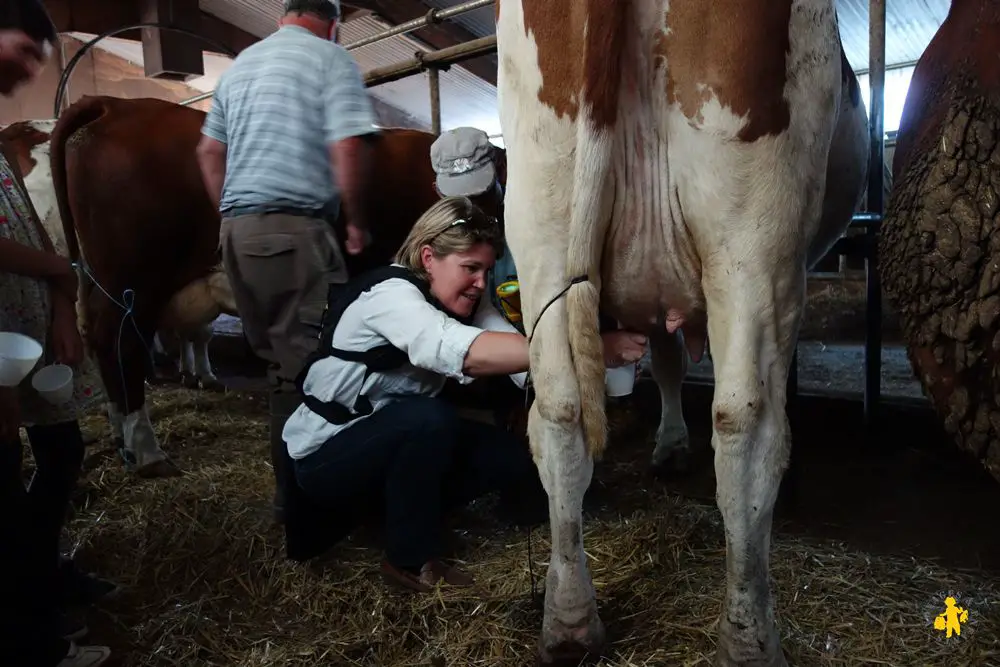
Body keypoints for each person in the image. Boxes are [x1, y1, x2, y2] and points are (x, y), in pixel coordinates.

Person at [282, 196, 648, 593]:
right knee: (427, 420)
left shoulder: (468, 300)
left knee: (512, 454)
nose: (480, 283)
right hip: (328, 456)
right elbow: (462, 352)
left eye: (486, 270)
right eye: (470, 268)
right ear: (428, 258)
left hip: (389, 444)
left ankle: (400, 511)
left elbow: (513, 349)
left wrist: (588, 374)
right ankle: (407, 560)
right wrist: (588, 347)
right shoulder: (389, 296)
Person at [196, 0, 378, 524]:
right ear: (334, 23)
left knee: (280, 368)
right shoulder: (329, 59)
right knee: (319, 367)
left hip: (239, 233)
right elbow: (348, 144)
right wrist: (356, 221)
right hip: (295, 231)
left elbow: (209, 156)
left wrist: (233, 217)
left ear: (284, 16)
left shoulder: (241, 67)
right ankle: (311, 505)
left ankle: (292, 499)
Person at [0, 5, 116, 666]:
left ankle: (43, 575)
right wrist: (54, 269)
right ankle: (28, 631)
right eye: (24, 48)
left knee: (63, 446)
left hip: (30, 320)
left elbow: (23, 214)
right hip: (2, 334)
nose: (32, 67)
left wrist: (63, 301)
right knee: (2, 480)